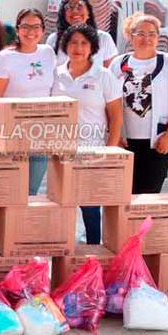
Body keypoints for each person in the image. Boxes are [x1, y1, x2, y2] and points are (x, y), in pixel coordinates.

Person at [51, 24, 123, 244]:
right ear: (65, 46)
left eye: (84, 43)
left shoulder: (103, 76)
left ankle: (93, 255)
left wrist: (109, 151)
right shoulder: (56, 74)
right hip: (60, 152)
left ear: (92, 47)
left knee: (90, 208)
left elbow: (116, 116)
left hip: (93, 151)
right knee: (63, 207)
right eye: (73, 42)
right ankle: (65, 257)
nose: (78, 48)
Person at [110, 14, 168, 194]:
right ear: (130, 36)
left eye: (152, 34)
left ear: (158, 37)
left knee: (148, 194)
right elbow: (109, 102)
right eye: (140, 33)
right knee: (124, 194)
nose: (146, 38)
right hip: (125, 141)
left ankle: (145, 224)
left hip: (158, 141)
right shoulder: (118, 64)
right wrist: (114, 134)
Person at [0, 8, 58, 194]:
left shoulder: (48, 53)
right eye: (25, 26)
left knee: (31, 189)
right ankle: (5, 224)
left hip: (40, 133)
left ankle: (25, 224)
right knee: (9, 189)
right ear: (18, 29)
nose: (31, 32)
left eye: (36, 27)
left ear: (43, 30)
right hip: (11, 132)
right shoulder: (5, 57)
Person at [46, 0, 119, 67]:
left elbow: (111, 72)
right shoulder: (53, 39)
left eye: (79, 5)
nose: (74, 11)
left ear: (88, 12)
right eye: (69, 7)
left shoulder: (104, 38)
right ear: (64, 14)